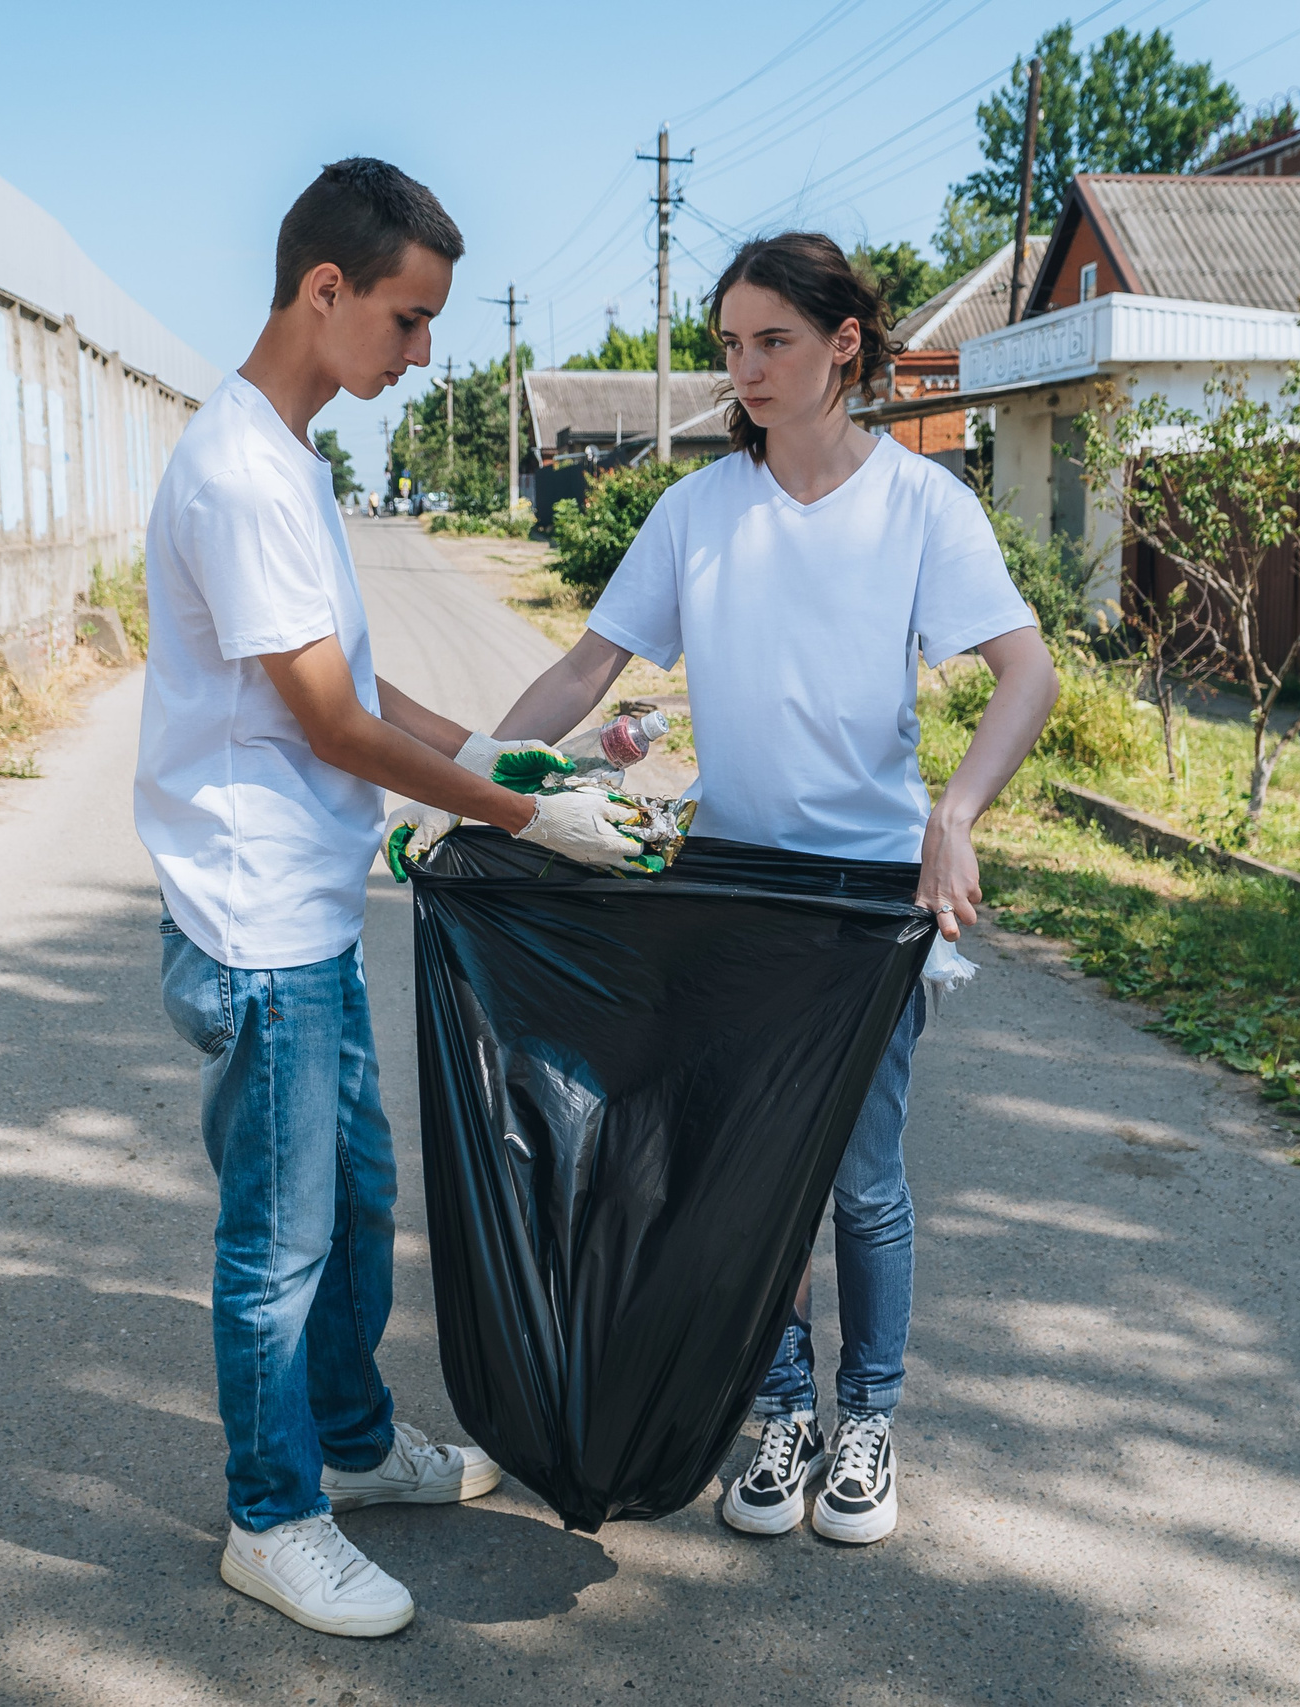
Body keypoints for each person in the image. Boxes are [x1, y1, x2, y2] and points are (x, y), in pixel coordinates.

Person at [133, 158, 645, 1639]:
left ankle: (350, 1448)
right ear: (326, 290)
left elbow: (358, 683)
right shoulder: (237, 471)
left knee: (354, 1204)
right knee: (281, 1243)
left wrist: (493, 752)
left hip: (310, 907)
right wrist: (525, 817)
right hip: (255, 924)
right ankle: (272, 1514)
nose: (420, 356)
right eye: (410, 322)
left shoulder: (289, 458)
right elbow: (327, 728)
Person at [490, 232, 1059, 1545]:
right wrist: (473, 776)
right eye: (731, 345)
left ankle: (868, 1421)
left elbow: (1027, 675)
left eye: (772, 342)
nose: (743, 369)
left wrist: (954, 816)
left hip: (864, 908)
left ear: (843, 345)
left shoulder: (922, 509)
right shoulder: (698, 514)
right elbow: (586, 674)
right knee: (745, 1175)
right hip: (729, 892)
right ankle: (783, 1410)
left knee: (859, 1179)